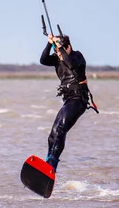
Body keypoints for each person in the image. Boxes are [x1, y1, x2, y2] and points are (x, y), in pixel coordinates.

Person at [39, 33, 97, 172]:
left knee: (61, 130)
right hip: (68, 100)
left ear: (68, 47)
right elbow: (43, 60)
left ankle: (53, 164)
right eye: (57, 52)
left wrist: (60, 48)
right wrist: (49, 43)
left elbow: (70, 63)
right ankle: (48, 161)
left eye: (60, 51)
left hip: (79, 100)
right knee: (52, 136)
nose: (58, 55)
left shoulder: (77, 56)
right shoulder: (57, 58)